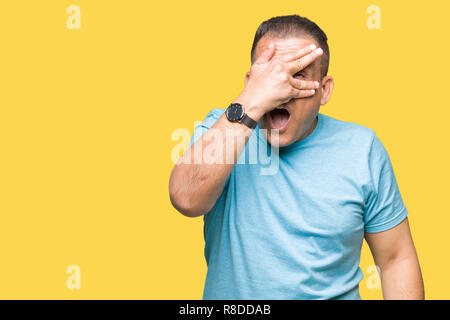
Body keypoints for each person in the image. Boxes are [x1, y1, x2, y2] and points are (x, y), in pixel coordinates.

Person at [169, 14, 424, 300]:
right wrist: (250, 102)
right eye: (271, 76)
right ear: (251, 82)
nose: (281, 92)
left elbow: (395, 259)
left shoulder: (361, 148)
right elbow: (186, 199)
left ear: (324, 90)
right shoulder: (222, 130)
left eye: (297, 75)